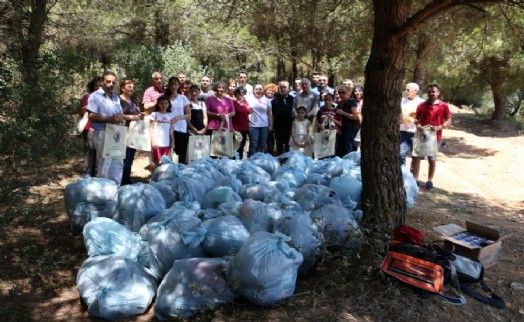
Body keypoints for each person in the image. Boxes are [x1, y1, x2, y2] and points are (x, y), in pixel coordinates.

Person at [87, 71, 125, 185]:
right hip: (102, 132)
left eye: (113, 82)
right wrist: (110, 119)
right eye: (108, 81)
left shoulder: (116, 97)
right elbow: (91, 116)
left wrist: (120, 117)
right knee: (104, 163)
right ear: (102, 81)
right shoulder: (95, 96)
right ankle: (103, 191)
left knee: (117, 162)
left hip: (115, 133)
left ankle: (115, 190)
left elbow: (119, 114)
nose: (111, 84)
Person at [412, 84, 452, 190]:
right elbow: (416, 118)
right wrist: (418, 124)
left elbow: (448, 121)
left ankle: (429, 181)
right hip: (422, 136)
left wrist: (439, 127)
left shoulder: (444, 106)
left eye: (433, 92)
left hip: (435, 137)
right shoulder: (421, 105)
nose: (431, 93)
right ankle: (415, 180)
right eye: (429, 92)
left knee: (432, 159)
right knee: (416, 158)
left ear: (438, 92)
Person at [119, 78, 143, 185]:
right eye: (129, 87)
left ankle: (126, 179)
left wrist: (140, 115)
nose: (132, 89)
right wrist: (133, 117)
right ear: (122, 88)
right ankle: (120, 181)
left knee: (130, 157)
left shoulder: (133, 102)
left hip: (133, 133)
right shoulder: (118, 100)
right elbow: (118, 116)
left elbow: (137, 115)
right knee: (122, 158)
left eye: (133, 87)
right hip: (122, 132)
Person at [79, 76, 102, 178]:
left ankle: (96, 174)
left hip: (102, 128)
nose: (98, 88)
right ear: (92, 87)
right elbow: (81, 111)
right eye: (96, 86)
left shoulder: (108, 98)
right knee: (89, 151)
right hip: (89, 128)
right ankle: (86, 173)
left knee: (99, 153)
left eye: (100, 86)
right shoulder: (87, 97)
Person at [165, 76, 191, 164]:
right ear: (168, 86)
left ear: (179, 86)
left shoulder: (183, 98)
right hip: (167, 129)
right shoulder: (165, 98)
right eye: (171, 84)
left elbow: (188, 114)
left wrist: (178, 118)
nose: (173, 86)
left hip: (181, 129)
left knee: (180, 153)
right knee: (168, 152)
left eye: (175, 84)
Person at [400, 82, 425, 166]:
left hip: (416, 132)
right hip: (403, 131)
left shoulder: (422, 103)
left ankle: (413, 174)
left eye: (408, 90)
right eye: (406, 89)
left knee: (416, 156)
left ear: (415, 91)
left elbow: (424, 117)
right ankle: (402, 172)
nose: (406, 91)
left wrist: (414, 119)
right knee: (401, 153)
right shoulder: (402, 101)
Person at [247, 84, 272, 157]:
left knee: (262, 144)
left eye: (260, 89)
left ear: (263, 90)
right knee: (253, 144)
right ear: (253, 91)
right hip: (253, 125)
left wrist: (271, 125)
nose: (258, 91)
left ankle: (260, 161)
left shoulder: (266, 100)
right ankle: (251, 162)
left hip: (264, 125)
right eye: (256, 89)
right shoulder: (249, 99)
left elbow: (269, 113)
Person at [150, 96, 175, 166]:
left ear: (169, 104)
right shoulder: (154, 114)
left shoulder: (170, 115)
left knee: (165, 161)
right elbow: (151, 128)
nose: (164, 105)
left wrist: (173, 142)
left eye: (166, 103)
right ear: (158, 104)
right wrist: (153, 141)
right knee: (156, 161)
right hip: (157, 143)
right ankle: (155, 176)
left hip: (167, 143)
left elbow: (171, 130)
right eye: (161, 103)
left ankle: (163, 176)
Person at [335, 85, 360, 156]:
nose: (341, 94)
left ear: (348, 93)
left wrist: (343, 113)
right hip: (342, 130)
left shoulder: (351, 102)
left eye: (343, 92)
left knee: (348, 149)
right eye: (339, 92)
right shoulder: (339, 104)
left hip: (350, 129)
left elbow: (355, 116)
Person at [271, 80, 294, 155]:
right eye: (281, 87)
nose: (283, 89)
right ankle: (280, 161)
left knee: (288, 145)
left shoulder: (293, 99)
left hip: (289, 126)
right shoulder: (274, 100)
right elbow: (272, 114)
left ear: (289, 88)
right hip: (278, 127)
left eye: (284, 87)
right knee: (279, 145)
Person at [232, 86, 251, 159]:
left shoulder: (246, 103)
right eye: (239, 93)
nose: (241, 94)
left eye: (243, 93)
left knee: (242, 146)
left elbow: (248, 113)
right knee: (236, 147)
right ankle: (233, 162)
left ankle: (239, 161)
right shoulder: (233, 102)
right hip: (236, 128)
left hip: (245, 127)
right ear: (235, 94)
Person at [264, 83, 278, 154]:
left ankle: (272, 152)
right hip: (264, 122)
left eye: (272, 91)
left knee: (272, 139)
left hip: (275, 122)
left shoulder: (276, 99)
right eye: (269, 90)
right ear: (265, 90)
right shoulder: (262, 99)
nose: (271, 92)